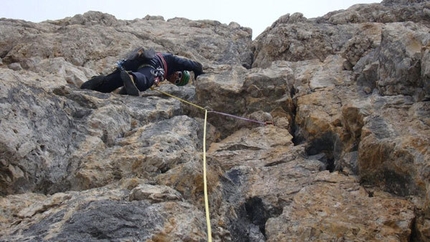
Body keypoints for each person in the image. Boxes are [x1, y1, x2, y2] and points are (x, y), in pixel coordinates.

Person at [81, 48, 204, 96]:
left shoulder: (164, 74)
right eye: (180, 75)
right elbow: (196, 65)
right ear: (180, 70)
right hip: (152, 62)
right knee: (147, 79)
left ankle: (99, 82)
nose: (176, 76)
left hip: (132, 64)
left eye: (177, 81)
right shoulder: (173, 61)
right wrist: (200, 76)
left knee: (112, 83)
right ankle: (133, 78)